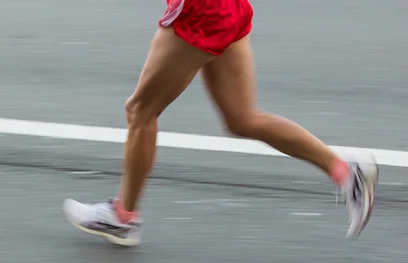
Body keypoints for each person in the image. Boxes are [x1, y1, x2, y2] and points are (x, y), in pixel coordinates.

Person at [63, 0, 378, 247]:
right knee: (242, 118)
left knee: (140, 111)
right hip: (226, 7)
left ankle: (122, 217)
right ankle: (347, 173)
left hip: (203, 11)